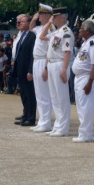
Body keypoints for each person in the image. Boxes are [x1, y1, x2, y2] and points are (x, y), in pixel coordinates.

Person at [42, 7, 73, 136]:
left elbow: (67, 52)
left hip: (60, 64)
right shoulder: (57, 32)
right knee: (54, 97)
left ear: (62, 18)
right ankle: (58, 125)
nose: (52, 19)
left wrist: (64, 69)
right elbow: (42, 36)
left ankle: (63, 128)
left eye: (54, 17)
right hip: (51, 64)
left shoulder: (66, 32)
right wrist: (49, 23)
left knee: (62, 98)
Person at [71, 20, 94, 143]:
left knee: (86, 107)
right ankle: (82, 133)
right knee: (80, 106)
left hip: (86, 77)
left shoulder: (93, 44)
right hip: (79, 77)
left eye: (81, 29)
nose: (79, 31)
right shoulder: (85, 43)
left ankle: (86, 134)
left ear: (87, 31)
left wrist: (90, 82)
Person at [30, 4, 54, 132]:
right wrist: (33, 20)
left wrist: (46, 67)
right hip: (36, 61)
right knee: (39, 93)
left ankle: (46, 123)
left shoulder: (50, 28)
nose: (38, 16)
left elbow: (51, 49)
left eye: (41, 14)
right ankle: (42, 121)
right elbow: (31, 28)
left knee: (44, 93)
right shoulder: (40, 28)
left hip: (43, 60)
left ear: (47, 15)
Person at [13, 14, 37, 126]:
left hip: (27, 69)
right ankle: (25, 115)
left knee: (29, 94)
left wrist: (30, 70)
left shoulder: (32, 36)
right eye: (19, 22)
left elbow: (33, 55)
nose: (19, 23)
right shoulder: (22, 35)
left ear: (29, 22)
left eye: (22, 22)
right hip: (20, 69)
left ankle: (31, 118)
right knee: (23, 93)